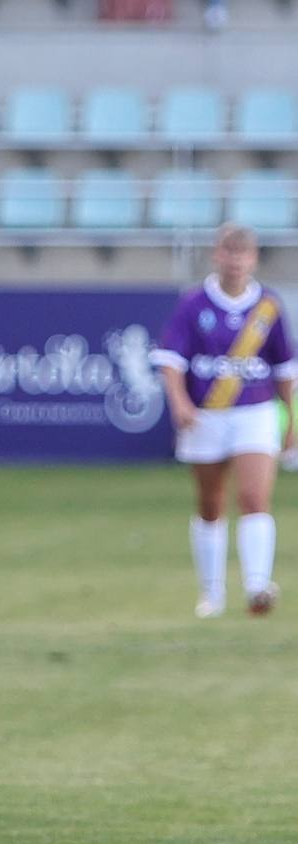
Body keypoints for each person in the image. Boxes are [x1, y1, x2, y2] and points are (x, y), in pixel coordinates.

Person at [149, 222, 296, 619]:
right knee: (211, 503)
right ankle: (212, 593)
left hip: (256, 411)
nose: (235, 262)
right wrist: (179, 402)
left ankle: (256, 586)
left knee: (253, 497)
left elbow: (284, 368)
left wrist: (291, 421)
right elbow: (171, 361)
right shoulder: (195, 304)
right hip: (207, 414)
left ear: (254, 259)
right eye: (229, 253)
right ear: (217, 255)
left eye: (243, 254)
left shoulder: (268, 306)